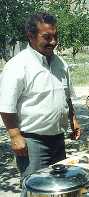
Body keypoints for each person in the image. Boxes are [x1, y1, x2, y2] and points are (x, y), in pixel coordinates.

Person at [0, 12, 81, 185]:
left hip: (58, 138)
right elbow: (6, 106)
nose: (53, 41)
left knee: (58, 185)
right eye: (47, 37)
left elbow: (66, 96)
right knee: (35, 187)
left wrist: (73, 119)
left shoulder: (61, 64)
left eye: (55, 36)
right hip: (32, 143)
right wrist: (14, 136)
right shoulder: (17, 66)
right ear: (31, 36)